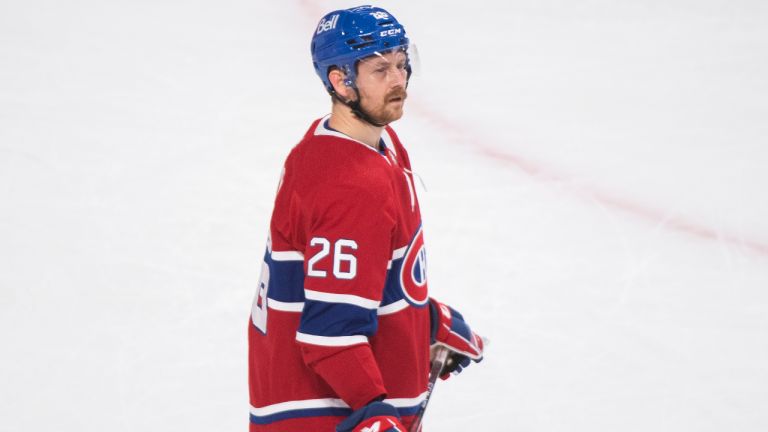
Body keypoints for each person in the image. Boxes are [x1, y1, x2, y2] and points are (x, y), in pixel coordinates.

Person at [248, 6, 485, 432]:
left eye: (401, 62)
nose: (399, 80)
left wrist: (423, 321)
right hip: (320, 417)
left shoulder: (376, 143)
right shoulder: (349, 186)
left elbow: (357, 277)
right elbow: (329, 338)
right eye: (380, 70)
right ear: (341, 81)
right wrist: (373, 412)